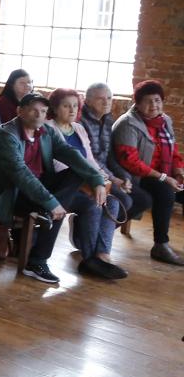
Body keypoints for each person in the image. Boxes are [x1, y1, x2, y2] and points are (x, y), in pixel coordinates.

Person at [0, 92, 116, 283]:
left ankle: (82, 255)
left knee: (76, 174)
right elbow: (22, 176)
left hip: (39, 190)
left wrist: (96, 180)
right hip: (11, 195)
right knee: (56, 205)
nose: (39, 115)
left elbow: (70, 154)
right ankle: (37, 261)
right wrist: (51, 203)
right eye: (33, 110)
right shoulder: (6, 137)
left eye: (43, 111)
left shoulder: (45, 132)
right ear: (20, 111)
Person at [47, 88, 125, 275]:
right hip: (63, 185)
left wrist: (102, 178)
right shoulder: (49, 128)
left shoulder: (79, 128)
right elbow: (57, 164)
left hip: (85, 182)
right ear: (56, 108)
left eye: (75, 105)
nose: (72, 110)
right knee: (95, 204)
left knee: (112, 202)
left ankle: (102, 255)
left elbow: (89, 160)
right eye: (66, 106)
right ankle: (89, 258)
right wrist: (89, 181)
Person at [113, 80, 184, 265]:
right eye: (148, 101)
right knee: (165, 192)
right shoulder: (128, 123)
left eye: (158, 100)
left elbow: (174, 151)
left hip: (161, 173)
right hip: (135, 176)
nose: (154, 105)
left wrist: (178, 171)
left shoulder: (164, 120)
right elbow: (130, 161)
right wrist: (163, 177)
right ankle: (160, 245)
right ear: (137, 103)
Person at [79, 82, 134, 225]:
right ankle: (85, 231)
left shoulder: (108, 120)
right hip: (88, 174)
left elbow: (110, 156)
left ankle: (99, 236)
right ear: (88, 101)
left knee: (141, 199)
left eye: (109, 98)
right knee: (125, 201)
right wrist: (113, 178)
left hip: (106, 173)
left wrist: (123, 176)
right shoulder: (81, 122)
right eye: (100, 98)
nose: (106, 102)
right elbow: (88, 158)